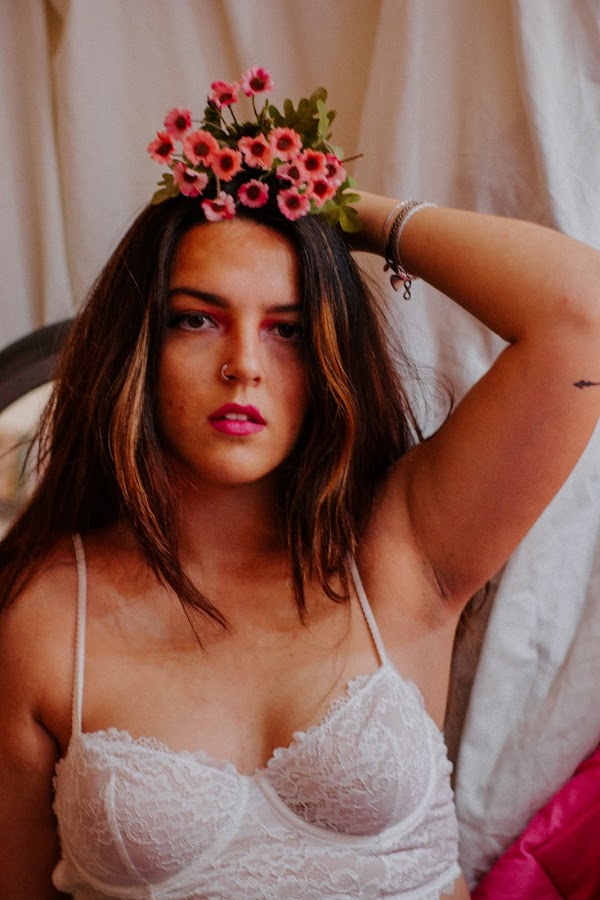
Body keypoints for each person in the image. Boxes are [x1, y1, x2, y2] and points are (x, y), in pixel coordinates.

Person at [0, 67, 599, 900]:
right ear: (139, 345)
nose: (243, 364)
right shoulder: (45, 619)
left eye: (286, 329)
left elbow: (581, 317)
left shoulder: (402, 549)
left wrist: (334, 209)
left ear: (326, 357)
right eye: (198, 319)